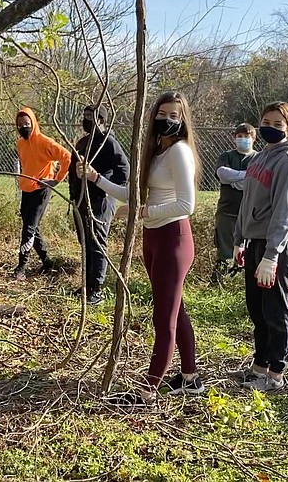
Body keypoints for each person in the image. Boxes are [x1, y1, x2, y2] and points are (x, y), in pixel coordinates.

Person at [77, 92, 203, 404]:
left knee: (163, 318)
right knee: (175, 310)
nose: (168, 120)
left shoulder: (178, 152)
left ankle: (147, 390)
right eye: (163, 113)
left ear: (183, 120)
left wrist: (143, 212)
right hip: (154, 239)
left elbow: (187, 204)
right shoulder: (156, 152)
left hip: (174, 239)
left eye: (175, 115)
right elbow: (133, 194)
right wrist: (95, 178)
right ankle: (190, 377)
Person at [231, 102, 288, 392]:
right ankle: (259, 366)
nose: (270, 128)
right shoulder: (260, 157)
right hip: (255, 241)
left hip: (279, 243)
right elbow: (247, 202)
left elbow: (284, 212)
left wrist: (271, 256)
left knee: (275, 308)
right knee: (257, 307)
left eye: (278, 124)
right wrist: (240, 239)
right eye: (266, 122)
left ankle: (276, 373)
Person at [68, 104, 130, 304]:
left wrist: (104, 185)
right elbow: (72, 171)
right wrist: (74, 194)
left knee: (97, 243)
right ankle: (86, 286)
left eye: (91, 117)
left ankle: (96, 289)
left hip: (102, 201)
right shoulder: (83, 142)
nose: (86, 120)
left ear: (102, 120)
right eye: (84, 115)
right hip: (81, 200)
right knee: (85, 241)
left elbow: (124, 171)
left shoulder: (108, 143)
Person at [14, 107, 71, 280]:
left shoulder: (44, 142)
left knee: (29, 228)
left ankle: (21, 267)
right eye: (20, 124)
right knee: (31, 225)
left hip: (41, 189)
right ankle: (47, 261)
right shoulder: (20, 143)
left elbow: (67, 157)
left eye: (27, 123)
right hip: (26, 189)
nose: (24, 127)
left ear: (33, 122)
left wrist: (55, 179)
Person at [211, 123, 258, 284]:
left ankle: (240, 283)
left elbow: (256, 182)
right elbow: (222, 173)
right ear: (234, 139)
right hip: (226, 211)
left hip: (250, 214)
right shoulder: (226, 156)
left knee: (248, 251)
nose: (243, 139)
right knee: (224, 250)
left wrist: (234, 180)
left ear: (254, 139)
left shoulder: (258, 158)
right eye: (239, 136)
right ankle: (218, 282)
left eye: (246, 137)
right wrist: (246, 176)